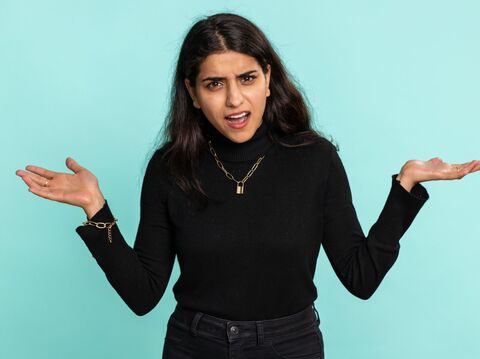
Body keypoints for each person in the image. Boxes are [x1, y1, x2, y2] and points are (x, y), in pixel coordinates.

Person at [15, 12, 479, 359]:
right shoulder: (169, 168)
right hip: (193, 345)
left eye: (247, 78)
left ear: (268, 79)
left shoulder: (314, 158)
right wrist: (96, 210)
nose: (235, 99)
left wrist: (405, 188)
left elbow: (360, 277)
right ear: (193, 94)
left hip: (291, 345)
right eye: (215, 83)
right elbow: (143, 295)